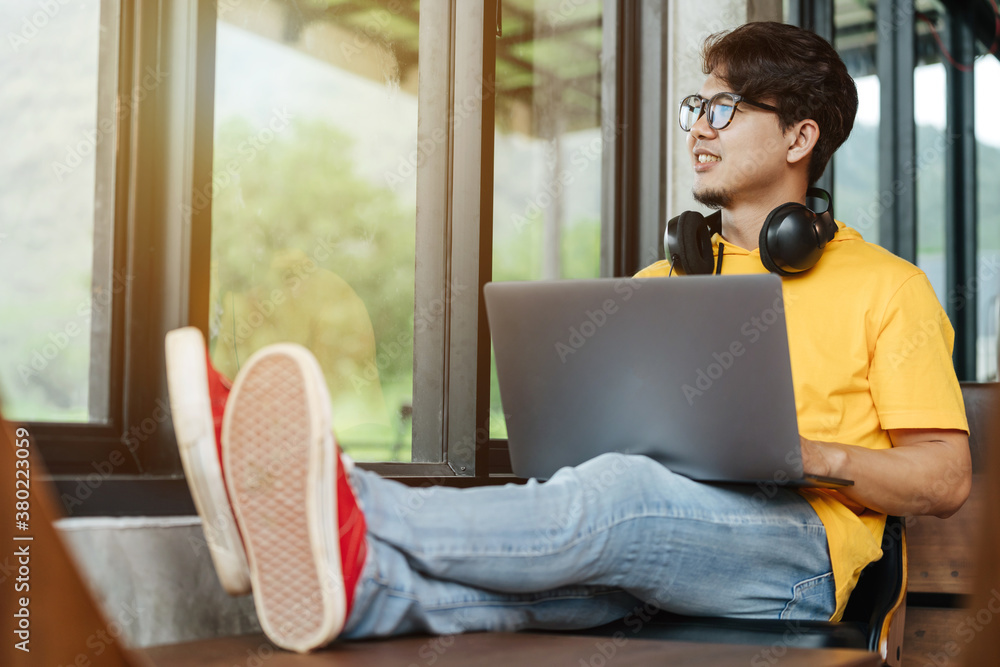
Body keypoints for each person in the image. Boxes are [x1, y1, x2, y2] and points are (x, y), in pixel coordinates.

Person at [164, 22, 972, 654]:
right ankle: (364, 585)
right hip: (670, 535)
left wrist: (817, 455)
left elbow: (943, 479)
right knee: (548, 588)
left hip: (798, 554)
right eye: (696, 107)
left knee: (619, 495)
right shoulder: (661, 290)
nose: (699, 127)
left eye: (725, 108)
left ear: (799, 140)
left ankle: (339, 496)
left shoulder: (889, 287)